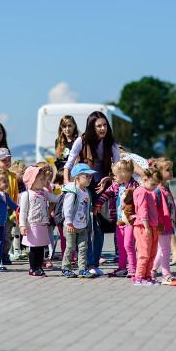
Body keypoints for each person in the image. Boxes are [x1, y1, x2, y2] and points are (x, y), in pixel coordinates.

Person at [64, 111, 121, 275]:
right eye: (99, 126)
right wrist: (68, 185)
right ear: (91, 127)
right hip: (84, 186)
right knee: (86, 225)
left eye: (105, 125)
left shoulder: (111, 144)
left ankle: (93, 263)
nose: (103, 128)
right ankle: (86, 263)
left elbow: (118, 168)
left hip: (102, 187)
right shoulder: (81, 141)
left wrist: (109, 179)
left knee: (98, 226)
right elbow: (68, 164)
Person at [94, 160, 139, 278]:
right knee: (121, 246)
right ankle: (122, 268)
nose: (113, 177)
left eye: (115, 175)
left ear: (123, 174)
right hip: (119, 221)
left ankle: (133, 269)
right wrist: (98, 204)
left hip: (130, 221)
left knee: (128, 245)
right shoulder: (116, 185)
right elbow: (106, 194)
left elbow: (139, 201)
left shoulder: (134, 186)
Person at [19, 166, 58, 277]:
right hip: (32, 225)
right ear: (32, 180)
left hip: (42, 224)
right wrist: (22, 225)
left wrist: (64, 194)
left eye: (43, 179)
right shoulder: (27, 194)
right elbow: (23, 212)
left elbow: (54, 198)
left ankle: (39, 267)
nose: (43, 181)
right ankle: (33, 268)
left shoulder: (43, 192)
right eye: (41, 179)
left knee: (41, 247)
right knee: (34, 248)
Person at [61, 163, 96, 278]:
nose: (89, 179)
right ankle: (66, 268)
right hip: (71, 225)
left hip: (82, 226)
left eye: (91, 176)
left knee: (83, 248)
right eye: (86, 176)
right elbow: (67, 208)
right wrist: (69, 222)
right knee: (70, 247)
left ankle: (82, 269)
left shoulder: (86, 191)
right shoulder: (72, 191)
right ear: (77, 177)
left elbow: (86, 207)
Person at [132, 168, 161, 286]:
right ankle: (139, 277)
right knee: (144, 253)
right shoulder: (141, 191)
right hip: (143, 227)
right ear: (145, 179)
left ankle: (147, 276)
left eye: (156, 185)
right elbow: (142, 209)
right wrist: (147, 227)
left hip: (152, 227)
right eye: (153, 184)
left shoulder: (148, 191)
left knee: (152, 253)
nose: (154, 188)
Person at [150, 158, 176, 285]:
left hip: (168, 224)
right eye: (168, 170)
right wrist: (158, 224)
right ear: (159, 173)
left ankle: (152, 270)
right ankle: (166, 275)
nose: (171, 172)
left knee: (162, 249)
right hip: (162, 225)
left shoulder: (166, 188)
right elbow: (154, 209)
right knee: (165, 250)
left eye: (171, 169)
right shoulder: (158, 190)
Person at [0, 148, 19, 265]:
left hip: (8, 210)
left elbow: (16, 194)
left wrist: (15, 210)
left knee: (7, 234)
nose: (7, 162)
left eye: (9, 160)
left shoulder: (13, 176)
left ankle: (5, 254)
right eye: (4, 160)